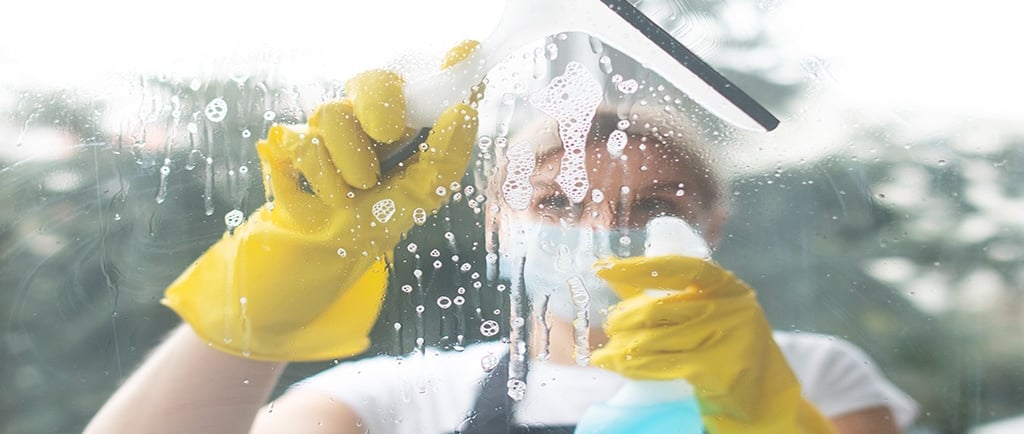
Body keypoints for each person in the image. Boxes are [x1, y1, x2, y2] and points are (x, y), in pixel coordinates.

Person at [85, 41, 916, 434]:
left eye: (648, 207)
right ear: (496, 223)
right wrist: (268, 291)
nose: (602, 232)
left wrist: (764, 409)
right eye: (555, 204)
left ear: (711, 225)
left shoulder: (812, 373)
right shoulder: (389, 404)